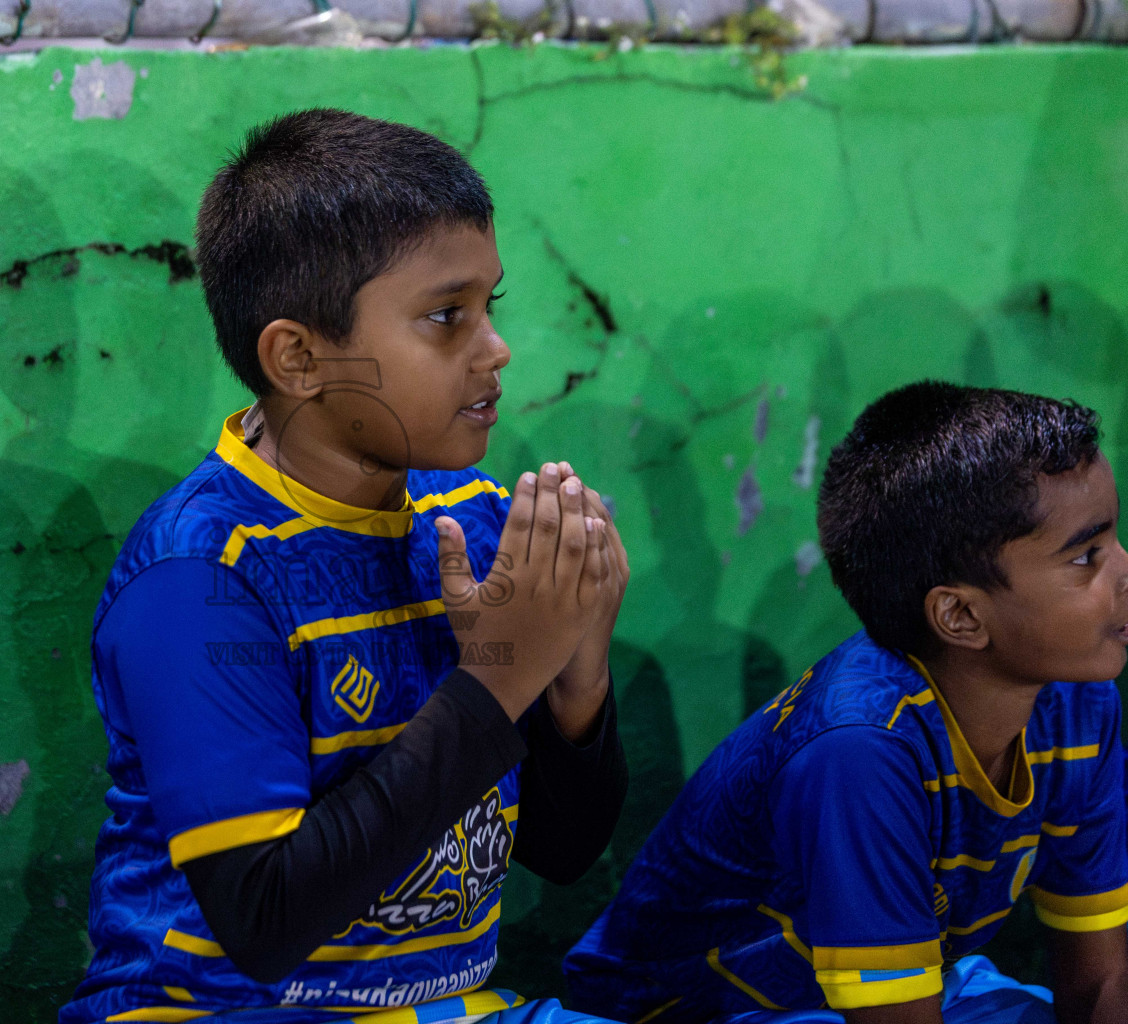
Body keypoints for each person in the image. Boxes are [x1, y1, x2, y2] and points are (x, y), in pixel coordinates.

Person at [60, 108, 632, 1024]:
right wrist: (498, 678)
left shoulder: (475, 522)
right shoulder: (202, 576)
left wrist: (575, 674)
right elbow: (266, 919)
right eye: (446, 317)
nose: (496, 350)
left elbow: (562, 849)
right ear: (298, 357)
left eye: (493, 307)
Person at [564, 381, 1128, 1024]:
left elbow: (1100, 981)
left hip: (891, 993)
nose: (1123, 570)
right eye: (1087, 556)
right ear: (962, 616)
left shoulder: (1078, 701)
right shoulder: (860, 748)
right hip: (700, 1011)